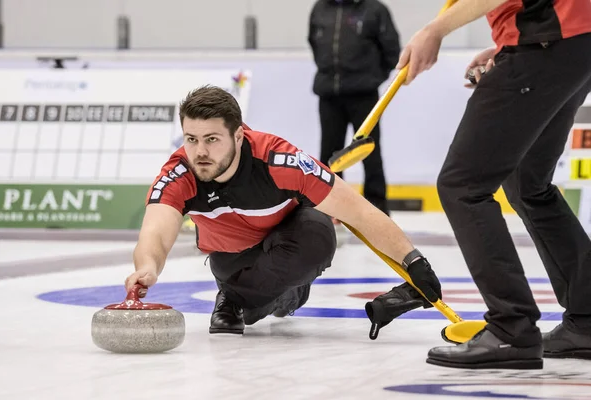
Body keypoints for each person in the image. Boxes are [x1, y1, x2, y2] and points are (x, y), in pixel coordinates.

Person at [123, 85, 443, 335]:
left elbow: (358, 212)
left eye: (212, 139)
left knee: (320, 232)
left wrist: (413, 261)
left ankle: (236, 300)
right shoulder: (181, 172)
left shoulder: (279, 160)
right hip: (234, 262)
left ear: (238, 135)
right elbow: (156, 232)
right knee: (265, 289)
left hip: (290, 246)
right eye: (191, 139)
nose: (200, 151)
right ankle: (249, 294)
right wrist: (148, 266)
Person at [394, 0, 591, 369]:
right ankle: (587, 320)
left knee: (462, 185)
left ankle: (511, 328)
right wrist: (506, 42)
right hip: (572, 43)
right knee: (527, 182)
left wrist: (434, 30)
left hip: (545, 43)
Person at [308, 0, 401, 215]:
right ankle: (331, 210)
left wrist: (372, 79)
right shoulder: (320, 8)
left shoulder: (374, 9)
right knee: (329, 156)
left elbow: (391, 50)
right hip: (329, 95)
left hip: (364, 95)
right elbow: (314, 42)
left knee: (370, 153)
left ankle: (376, 210)